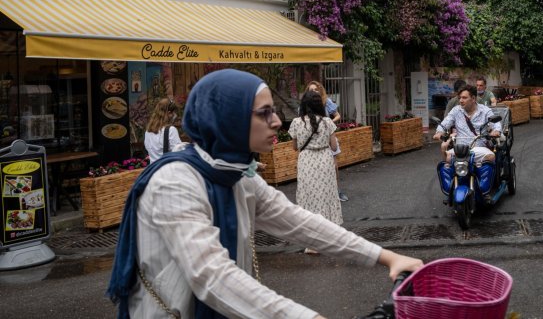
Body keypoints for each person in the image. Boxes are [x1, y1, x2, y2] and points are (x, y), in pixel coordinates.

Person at [107, 69, 422, 319]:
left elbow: (298, 222)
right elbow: (212, 276)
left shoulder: (235, 173)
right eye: (264, 113)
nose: (276, 121)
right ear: (228, 118)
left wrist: (386, 257)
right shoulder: (174, 182)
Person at [290, 90, 342, 253]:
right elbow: (334, 146)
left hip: (306, 161)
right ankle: (330, 237)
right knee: (326, 196)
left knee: (309, 197)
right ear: (320, 105)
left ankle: (312, 243)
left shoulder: (296, 122)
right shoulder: (327, 122)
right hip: (324, 161)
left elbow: (295, 147)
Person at [433, 85, 501, 164]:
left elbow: (496, 123)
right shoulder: (456, 110)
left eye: (464, 98)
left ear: (473, 98)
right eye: (460, 98)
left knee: (490, 157)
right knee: (447, 160)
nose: (461, 100)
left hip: (479, 148)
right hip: (460, 149)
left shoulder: (485, 110)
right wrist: (439, 132)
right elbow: (445, 123)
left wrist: (496, 131)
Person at [306, 81, 347, 202]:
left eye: (315, 89)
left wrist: (329, 124)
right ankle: (319, 193)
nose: (313, 92)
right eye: (310, 90)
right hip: (314, 139)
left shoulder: (326, 101)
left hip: (329, 135)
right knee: (315, 167)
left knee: (334, 166)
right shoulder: (305, 105)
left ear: (320, 90)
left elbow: (338, 115)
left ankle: (337, 191)